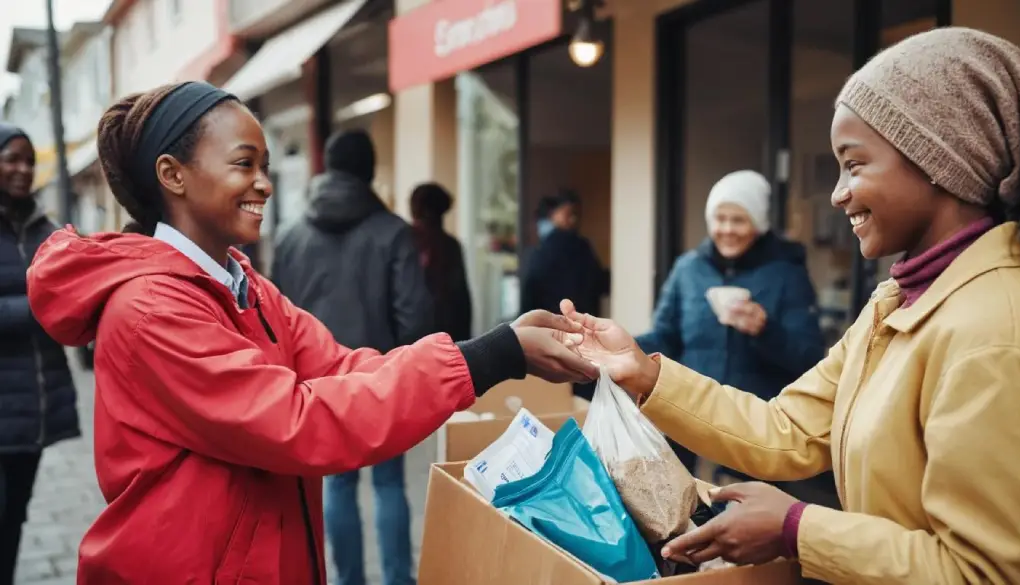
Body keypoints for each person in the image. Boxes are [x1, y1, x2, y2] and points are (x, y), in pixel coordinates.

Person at [24, 81, 598, 584]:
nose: (265, 184)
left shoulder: (242, 283)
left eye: (266, 165)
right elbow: (298, 422)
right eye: (243, 164)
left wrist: (498, 347)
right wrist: (492, 356)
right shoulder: (151, 308)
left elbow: (345, 369)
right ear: (173, 175)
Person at [562, 27, 1020, 584]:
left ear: (940, 160)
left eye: (854, 164)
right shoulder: (896, 300)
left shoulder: (994, 332)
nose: (836, 192)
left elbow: (985, 572)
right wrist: (643, 372)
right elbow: (790, 428)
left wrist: (797, 528)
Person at [272, 128, 434, 585]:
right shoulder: (393, 233)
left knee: (336, 485)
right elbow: (415, 316)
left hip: (317, 387)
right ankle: (399, 580)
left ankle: (347, 581)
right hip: (381, 378)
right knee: (388, 485)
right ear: (368, 172)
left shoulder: (289, 237)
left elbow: (275, 318)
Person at [637, 170, 825, 484]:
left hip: (754, 431)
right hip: (690, 420)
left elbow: (809, 358)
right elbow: (665, 336)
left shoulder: (786, 275)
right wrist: (623, 347)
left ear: (759, 223)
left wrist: (765, 330)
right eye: (719, 219)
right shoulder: (688, 268)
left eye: (738, 220)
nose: (726, 230)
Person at [0, 123, 80, 585]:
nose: (22, 169)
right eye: (11, 158)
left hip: (36, 408)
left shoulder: (46, 231)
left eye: (28, 160)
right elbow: (49, 303)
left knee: (14, 520)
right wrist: (40, 306)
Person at [521, 190, 610, 400]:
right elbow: (601, 284)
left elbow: (529, 295)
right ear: (552, 215)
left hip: (548, 336)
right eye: (568, 214)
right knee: (584, 397)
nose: (574, 220)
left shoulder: (539, 252)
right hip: (583, 335)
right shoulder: (581, 248)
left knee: (552, 398)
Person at [410, 182, 473, 343]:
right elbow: (462, 303)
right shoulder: (450, 245)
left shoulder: (404, 241)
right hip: (446, 339)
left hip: (409, 340)